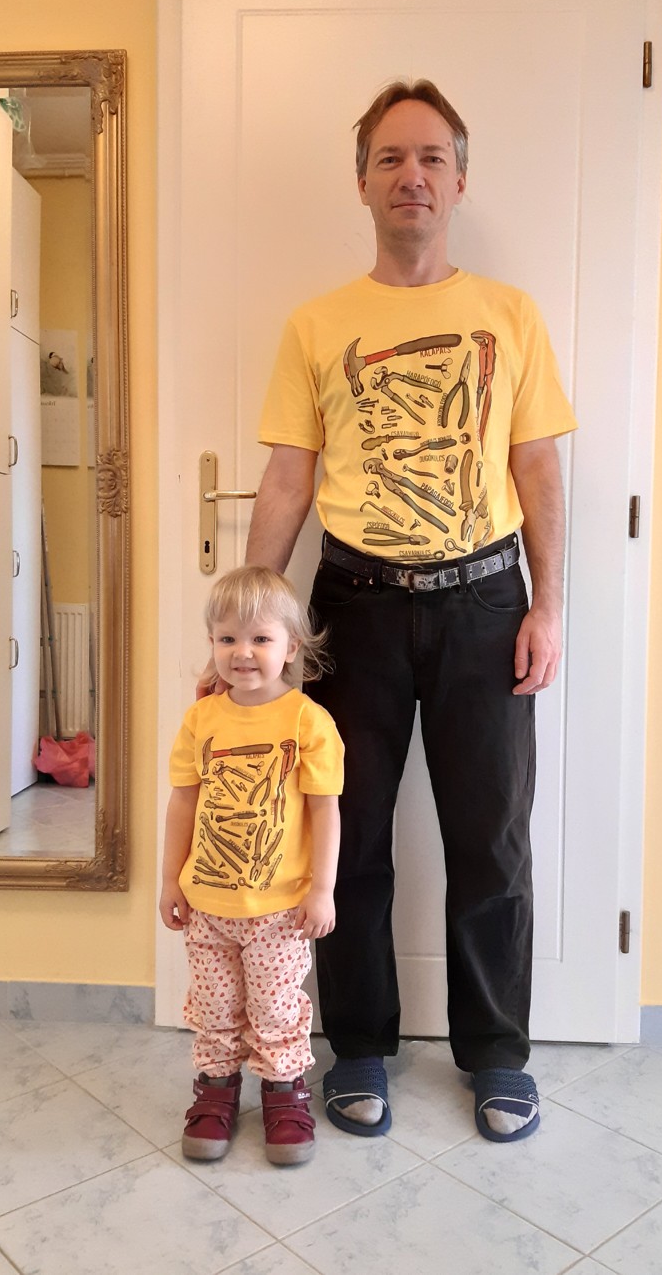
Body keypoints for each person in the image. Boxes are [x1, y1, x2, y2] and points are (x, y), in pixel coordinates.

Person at [243, 79, 578, 1143]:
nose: (412, 175)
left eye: (432, 156)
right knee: (346, 834)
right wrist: (253, 627)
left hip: (486, 606)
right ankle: (359, 1046)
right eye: (390, 157)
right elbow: (288, 480)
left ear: (460, 179)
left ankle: (498, 1054)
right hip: (355, 609)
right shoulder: (316, 325)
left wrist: (549, 605)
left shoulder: (511, 316)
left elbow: (537, 467)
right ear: (362, 182)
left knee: (493, 839)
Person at [160, 565, 344, 1165]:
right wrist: (169, 880)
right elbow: (183, 802)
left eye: (260, 638)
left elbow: (325, 811)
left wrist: (322, 889)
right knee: (214, 1009)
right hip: (208, 907)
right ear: (212, 643)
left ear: (291, 646)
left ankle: (284, 1096)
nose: (242, 652)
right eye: (228, 638)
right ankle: (215, 1092)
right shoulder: (201, 719)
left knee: (275, 1009)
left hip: (279, 912)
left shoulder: (308, 722)